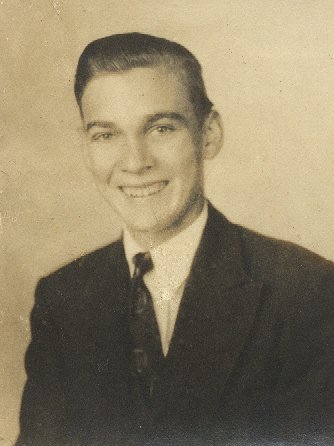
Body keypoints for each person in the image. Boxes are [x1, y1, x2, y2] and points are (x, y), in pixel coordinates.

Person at [16, 33, 334, 446]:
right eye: (106, 135)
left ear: (209, 134)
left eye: (161, 128)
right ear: (86, 146)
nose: (135, 162)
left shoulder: (305, 292)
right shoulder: (64, 298)